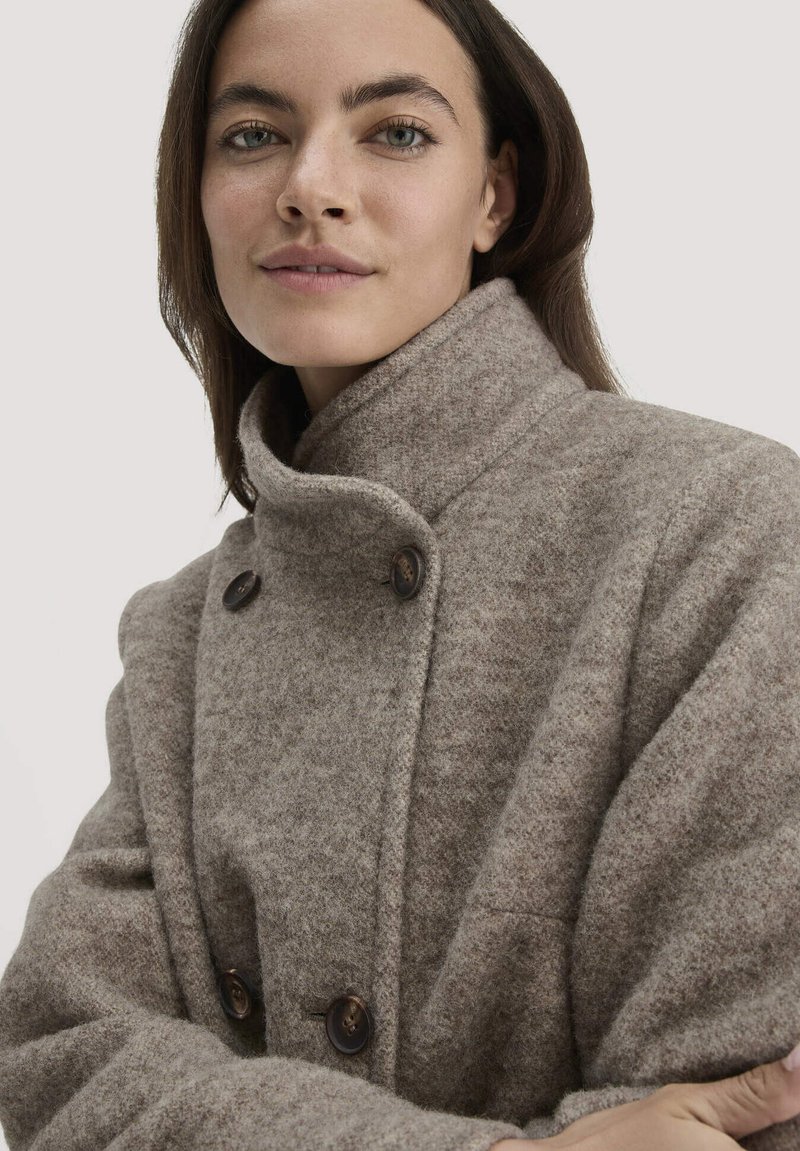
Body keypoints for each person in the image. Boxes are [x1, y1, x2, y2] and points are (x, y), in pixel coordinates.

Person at [0, 0, 798, 1148]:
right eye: (252, 135)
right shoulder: (182, 637)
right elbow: (62, 1051)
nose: (310, 186)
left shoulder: (718, 528)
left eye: (396, 133)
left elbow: (743, 1095)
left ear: (495, 196)